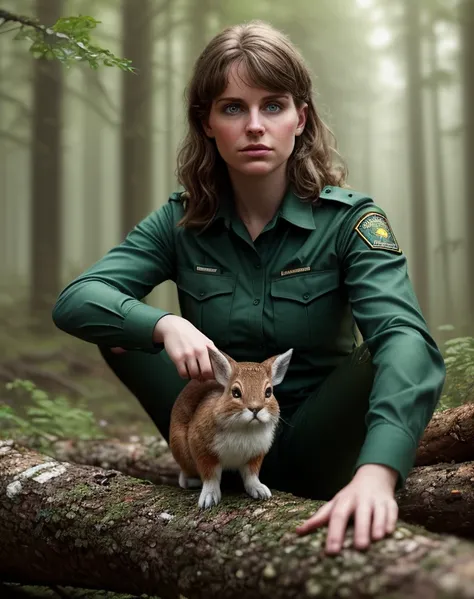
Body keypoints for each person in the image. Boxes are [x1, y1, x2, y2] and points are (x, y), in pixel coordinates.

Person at [52, 20, 446, 555]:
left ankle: (334, 474)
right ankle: (208, 467)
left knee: (389, 346)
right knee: (121, 330)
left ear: (300, 119)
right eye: (233, 108)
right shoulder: (181, 222)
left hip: (313, 439)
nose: (255, 125)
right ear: (208, 123)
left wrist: (378, 473)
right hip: (218, 426)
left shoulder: (351, 222)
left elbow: (408, 342)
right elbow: (78, 299)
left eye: (274, 106)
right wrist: (164, 323)